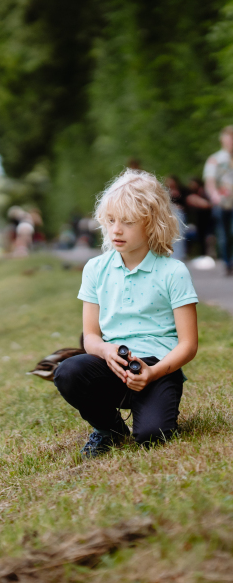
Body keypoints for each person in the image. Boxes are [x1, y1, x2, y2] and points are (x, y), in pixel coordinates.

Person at [53, 170, 198, 458]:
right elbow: (91, 337)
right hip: (113, 364)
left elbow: (188, 344)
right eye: (110, 221)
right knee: (67, 372)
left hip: (159, 368)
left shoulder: (173, 272)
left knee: (151, 437)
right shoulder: (95, 269)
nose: (116, 230)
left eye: (128, 223)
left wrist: (154, 372)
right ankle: (109, 429)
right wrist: (106, 351)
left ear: (151, 223)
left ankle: (155, 412)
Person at [204, 126, 233, 275]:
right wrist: (214, 195)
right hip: (222, 203)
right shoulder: (215, 160)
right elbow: (210, 182)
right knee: (224, 235)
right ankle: (227, 263)